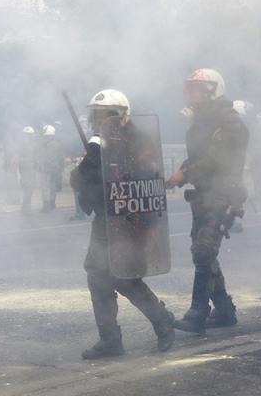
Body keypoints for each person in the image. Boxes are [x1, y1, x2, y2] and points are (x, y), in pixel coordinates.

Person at [72, 89, 175, 359]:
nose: (99, 121)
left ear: (121, 115)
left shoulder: (138, 140)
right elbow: (82, 178)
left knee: (124, 277)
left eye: (105, 115)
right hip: (106, 218)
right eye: (96, 115)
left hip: (132, 219)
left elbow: (143, 177)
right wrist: (94, 154)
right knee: (97, 276)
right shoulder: (100, 144)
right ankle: (110, 340)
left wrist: (106, 150)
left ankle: (162, 321)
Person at [167, 69, 249, 334]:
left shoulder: (228, 121)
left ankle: (198, 313)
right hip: (204, 195)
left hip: (223, 194)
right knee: (203, 253)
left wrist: (184, 174)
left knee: (203, 251)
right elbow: (198, 156)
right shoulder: (203, 121)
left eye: (197, 89)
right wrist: (180, 172)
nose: (191, 94)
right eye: (189, 88)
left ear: (214, 90)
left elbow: (217, 159)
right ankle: (224, 310)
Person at [39, 124, 64, 212]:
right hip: (55, 168)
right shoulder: (58, 143)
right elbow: (61, 157)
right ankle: (53, 203)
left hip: (46, 168)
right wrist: (61, 168)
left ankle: (46, 205)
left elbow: (41, 157)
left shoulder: (43, 144)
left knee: (45, 186)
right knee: (53, 186)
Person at [17, 126, 39, 215]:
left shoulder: (26, 145)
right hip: (27, 171)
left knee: (28, 190)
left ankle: (25, 208)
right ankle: (26, 209)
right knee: (28, 190)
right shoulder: (28, 145)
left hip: (28, 171)